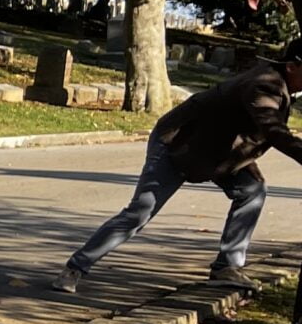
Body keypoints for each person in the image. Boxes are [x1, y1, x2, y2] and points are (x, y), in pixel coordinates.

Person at [60, 36, 302, 292]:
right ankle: (75, 268)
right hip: (177, 144)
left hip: (217, 153)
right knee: (140, 212)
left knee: (252, 190)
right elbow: (274, 131)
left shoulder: (279, 84)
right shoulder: (265, 85)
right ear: (292, 66)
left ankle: (227, 267)